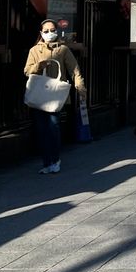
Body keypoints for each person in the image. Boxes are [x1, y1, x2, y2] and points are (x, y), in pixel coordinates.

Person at [24, 19, 87, 174]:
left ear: (56, 31)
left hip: (55, 95)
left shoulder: (63, 49)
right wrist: (39, 66)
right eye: (46, 31)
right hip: (40, 95)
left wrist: (80, 87)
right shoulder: (34, 50)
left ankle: (55, 159)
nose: (49, 33)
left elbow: (74, 70)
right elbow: (27, 71)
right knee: (41, 129)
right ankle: (46, 162)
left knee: (53, 127)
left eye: (52, 30)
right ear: (41, 33)